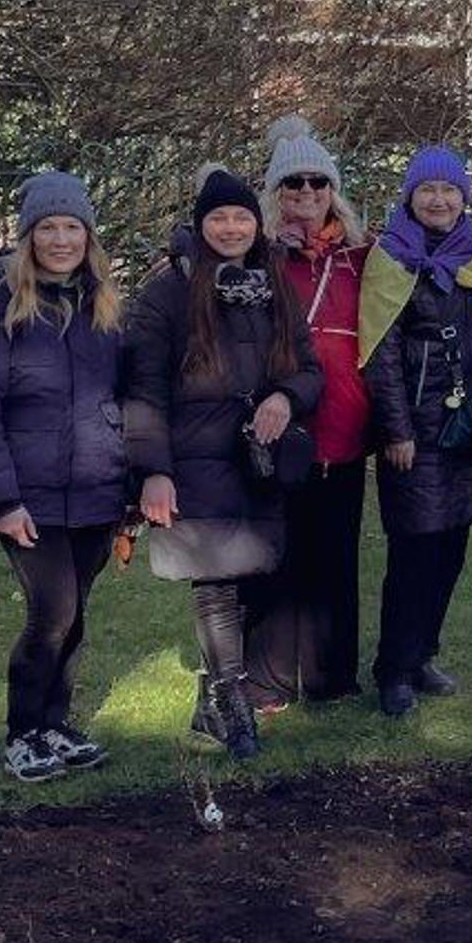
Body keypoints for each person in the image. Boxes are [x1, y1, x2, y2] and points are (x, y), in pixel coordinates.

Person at [123, 168, 321, 761]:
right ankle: (233, 703)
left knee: (248, 576)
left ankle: (213, 697)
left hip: (255, 459)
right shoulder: (168, 293)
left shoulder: (273, 285)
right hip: (193, 457)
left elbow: (308, 367)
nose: (231, 228)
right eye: (219, 218)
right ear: (200, 224)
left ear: (255, 224)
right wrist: (152, 469)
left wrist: (286, 397)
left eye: (241, 217)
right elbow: (144, 388)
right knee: (214, 580)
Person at [0, 174, 128, 782]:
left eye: (72, 226)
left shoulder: (103, 306)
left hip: (96, 490)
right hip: (29, 495)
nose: (61, 238)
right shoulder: (2, 308)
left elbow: (122, 400)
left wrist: (127, 486)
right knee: (51, 614)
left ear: (88, 235)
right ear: (28, 236)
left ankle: (55, 724)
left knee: (77, 616)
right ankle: (23, 731)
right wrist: (1, 499)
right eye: (48, 227)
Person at [242, 115, 374, 709]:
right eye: (292, 185)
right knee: (275, 557)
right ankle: (267, 679)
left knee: (335, 557)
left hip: (342, 428)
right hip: (280, 428)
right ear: (275, 193)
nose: (305, 196)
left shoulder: (359, 258)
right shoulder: (258, 258)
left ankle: (331, 678)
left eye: (317, 185)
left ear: (333, 192)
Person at [360, 145, 472, 718]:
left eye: (448, 191)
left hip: (462, 429)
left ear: (463, 198)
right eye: (427, 191)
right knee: (413, 554)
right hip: (414, 431)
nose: (438, 200)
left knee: (451, 550)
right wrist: (396, 428)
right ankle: (392, 668)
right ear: (410, 199)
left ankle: (422, 655)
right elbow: (380, 353)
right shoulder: (390, 259)